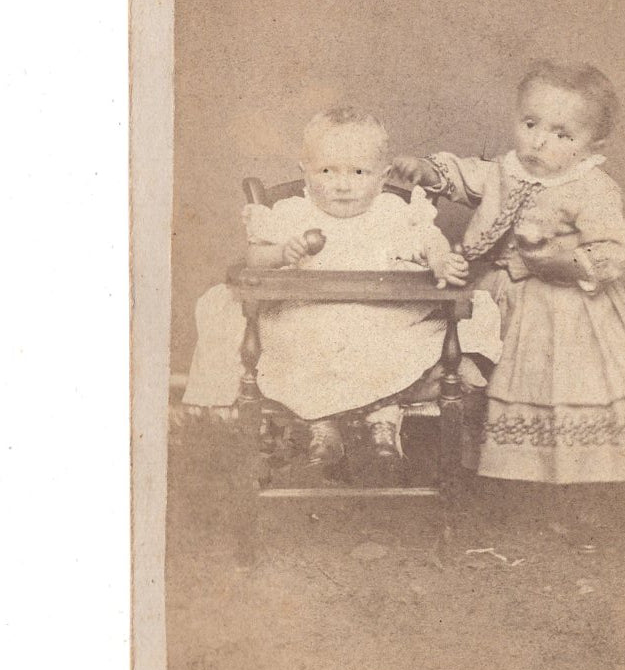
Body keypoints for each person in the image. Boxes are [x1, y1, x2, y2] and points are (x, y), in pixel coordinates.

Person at [392, 61, 625, 483]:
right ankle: (495, 474)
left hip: (565, 307)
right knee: (484, 370)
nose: (539, 142)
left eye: (563, 135)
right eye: (530, 124)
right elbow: (466, 177)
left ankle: (570, 473)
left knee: (559, 381)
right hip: (498, 295)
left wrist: (558, 258)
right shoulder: (506, 170)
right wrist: (426, 170)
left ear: (592, 144)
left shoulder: (591, 187)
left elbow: (613, 250)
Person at [182, 108, 500, 480]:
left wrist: (442, 260)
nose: (343, 185)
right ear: (305, 171)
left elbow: (430, 241)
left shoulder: (392, 214)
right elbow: (253, 258)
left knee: (405, 344)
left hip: (380, 325)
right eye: (327, 171)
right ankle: (327, 427)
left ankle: (381, 420)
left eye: (359, 172)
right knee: (298, 342)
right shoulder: (292, 214)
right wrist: (281, 253)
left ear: (382, 177)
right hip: (307, 324)